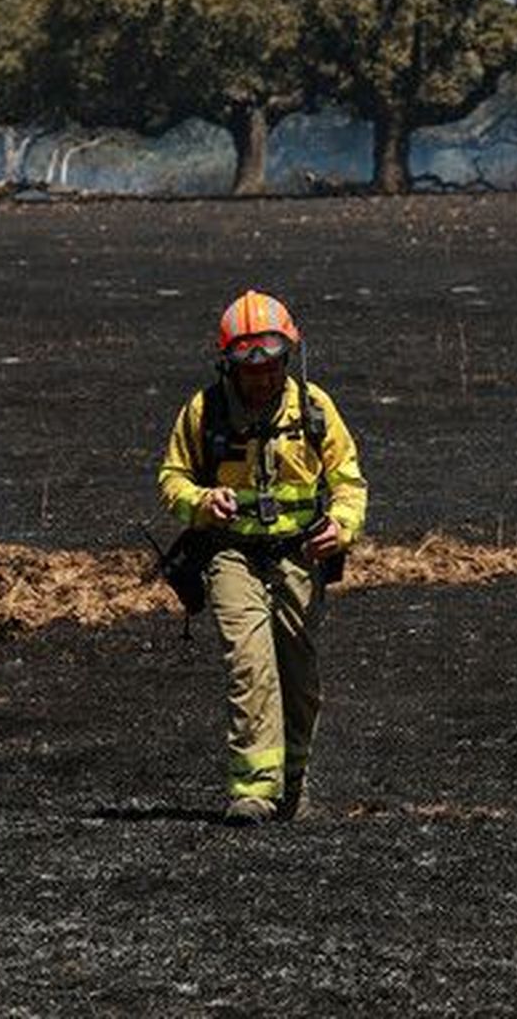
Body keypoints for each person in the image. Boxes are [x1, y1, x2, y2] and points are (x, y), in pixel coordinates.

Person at [157, 290, 368, 826]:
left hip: (300, 557)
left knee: (298, 678)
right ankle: (252, 791)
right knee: (249, 665)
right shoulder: (203, 412)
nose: (261, 378)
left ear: (287, 359)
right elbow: (171, 478)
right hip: (231, 555)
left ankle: (293, 786)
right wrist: (202, 502)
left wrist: (341, 528)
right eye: (250, 367)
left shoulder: (316, 410)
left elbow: (349, 483)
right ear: (229, 364)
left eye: (271, 365)